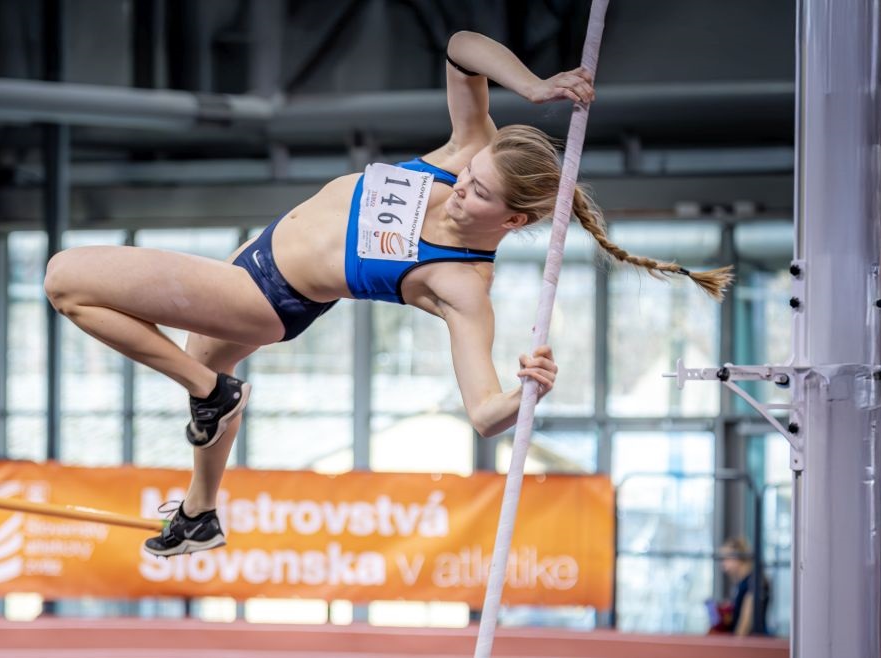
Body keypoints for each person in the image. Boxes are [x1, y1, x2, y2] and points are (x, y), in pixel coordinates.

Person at [44, 30, 732, 557]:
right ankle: (201, 512)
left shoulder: (461, 282)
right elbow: (460, 48)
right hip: (256, 252)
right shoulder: (469, 151)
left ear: (514, 221)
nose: (460, 186)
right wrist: (533, 84)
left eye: (479, 194)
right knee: (207, 367)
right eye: (469, 175)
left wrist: (526, 390)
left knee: (66, 282)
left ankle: (210, 392)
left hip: (263, 293)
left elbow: (483, 412)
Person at [713, 537, 770, 636]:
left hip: (753, 643)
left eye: (726, 558)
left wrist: (735, 646)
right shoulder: (741, 583)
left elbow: (745, 623)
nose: (723, 564)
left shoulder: (753, 582)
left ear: (738, 558)